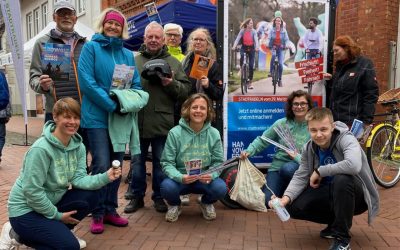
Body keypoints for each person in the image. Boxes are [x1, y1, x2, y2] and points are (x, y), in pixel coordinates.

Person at [0, 98, 123, 250]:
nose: (73, 122)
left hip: (50, 204)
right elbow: (32, 191)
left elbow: (78, 179)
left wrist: (105, 177)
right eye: (67, 116)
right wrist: (57, 216)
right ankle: (14, 232)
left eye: (76, 117)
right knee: (68, 246)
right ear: (55, 117)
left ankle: (59, 233)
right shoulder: (41, 149)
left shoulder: (78, 146)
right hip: (25, 210)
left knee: (93, 194)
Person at [270, 107, 379, 250]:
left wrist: (320, 171)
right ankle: (335, 224)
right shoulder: (309, 147)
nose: (319, 134)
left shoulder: (346, 139)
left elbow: (354, 165)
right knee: (292, 206)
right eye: (313, 130)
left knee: (342, 179)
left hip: (357, 196)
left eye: (323, 129)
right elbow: (301, 176)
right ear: (308, 129)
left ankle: (342, 240)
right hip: (330, 192)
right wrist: (284, 200)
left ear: (332, 127)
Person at [78, 8, 142, 234]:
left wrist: (127, 104)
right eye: (110, 23)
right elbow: (86, 82)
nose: (113, 27)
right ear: (103, 25)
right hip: (96, 117)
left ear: (122, 28)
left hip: (119, 118)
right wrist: (112, 104)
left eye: (117, 24)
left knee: (116, 165)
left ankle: (111, 210)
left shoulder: (127, 54)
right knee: (101, 164)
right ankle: (96, 213)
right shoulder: (91, 48)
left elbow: (136, 84)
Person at [123, 21, 191, 214]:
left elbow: (185, 91)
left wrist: (170, 83)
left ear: (163, 40)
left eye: (157, 37)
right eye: (150, 37)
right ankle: (136, 197)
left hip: (163, 123)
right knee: (136, 163)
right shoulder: (133, 61)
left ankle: (159, 197)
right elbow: (122, 87)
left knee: (161, 163)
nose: (153, 40)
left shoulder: (174, 63)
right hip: (137, 122)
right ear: (144, 38)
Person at [160, 93, 227, 222]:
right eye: (194, 107)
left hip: (204, 179)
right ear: (187, 110)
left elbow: (218, 162)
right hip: (181, 179)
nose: (198, 111)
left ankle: (206, 203)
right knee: (166, 187)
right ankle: (175, 205)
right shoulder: (175, 133)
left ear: (208, 111)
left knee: (221, 188)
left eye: (202, 108)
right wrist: (180, 177)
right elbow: (166, 162)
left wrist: (211, 175)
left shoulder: (214, 133)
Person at [240, 90, 313, 206]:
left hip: (300, 167)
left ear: (309, 106)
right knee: (266, 201)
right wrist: (249, 151)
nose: (299, 107)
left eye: (303, 103)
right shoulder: (282, 123)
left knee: (288, 168)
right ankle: (285, 192)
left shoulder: (313, 125)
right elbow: (263, 140)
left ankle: (294, 194)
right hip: (277, 168)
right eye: (296, 104)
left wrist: (297, 157)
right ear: (291, 106)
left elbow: (316, 155)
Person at [29, 0, 85, 122]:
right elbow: (34, 78)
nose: (66, 16)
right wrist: (42, 85)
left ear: (75, 19)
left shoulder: (85, 44)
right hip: (55, 112)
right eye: (61, 13)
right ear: (54, 18)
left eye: (69, 13)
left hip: (83, 111)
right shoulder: (42, 43)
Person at [324, 35, 379, 127]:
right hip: (336, 121)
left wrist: (366, 121)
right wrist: (331, 80)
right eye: (333, 51)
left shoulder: (364, 64)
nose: (334, 54)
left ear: (346, 48)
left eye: (336, 50)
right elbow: (340, 90)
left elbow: (371, 94)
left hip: (353, 122)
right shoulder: (340, 66)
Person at [232, 18, 259, 89]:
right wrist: (234, 46)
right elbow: (237, 38)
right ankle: (241, 68)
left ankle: (250, 82)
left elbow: (256, 39)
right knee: (241, 55)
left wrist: (257, 47)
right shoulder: (242, 31)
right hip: (244, 47)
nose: (252, 24)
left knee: (251, 65)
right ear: (247, 24)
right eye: (250, 23)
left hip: (252, 48)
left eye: (252, 23)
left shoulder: (254, 31)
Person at [267, 16, 290, 87]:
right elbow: (269, 38)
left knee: (280, 64)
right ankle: (271, 72)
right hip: (273, 47)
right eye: (276, 21)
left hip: (280, 48)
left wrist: (287, 45)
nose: (278, 22)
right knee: (273, 55)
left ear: (281, 23)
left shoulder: (284, 31)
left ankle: (280, 79)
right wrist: (268, 44)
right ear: (274, 22)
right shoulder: (271, 30)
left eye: (279, 21)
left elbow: (287, 39)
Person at [0, 72, 11, 166]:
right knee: (1, 137)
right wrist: (8, 114)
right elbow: (6, 97)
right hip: (1, 113)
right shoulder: (1, 75)